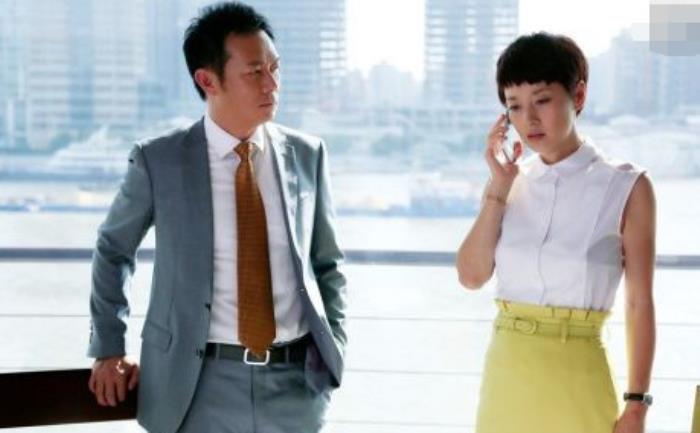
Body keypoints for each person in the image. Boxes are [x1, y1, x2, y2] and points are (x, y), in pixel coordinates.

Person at [86, 3, 347, 432]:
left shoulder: (307, 154)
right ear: (207, 80)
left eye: (275, 68)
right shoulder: (159, 161)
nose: (272, 84)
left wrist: (335, 346)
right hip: (195, 387)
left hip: (297, 387)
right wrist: (109, 348)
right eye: (255, 72)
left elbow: (328, 263)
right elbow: (113, 250)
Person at [456, 32, 656, 433]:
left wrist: (637, 405)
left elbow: (639, 302)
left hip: (579, 376)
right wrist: (497, 188)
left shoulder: (626, 186)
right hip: (507, 377)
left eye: (542, 100)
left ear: (578, 96)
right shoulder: (507, 184)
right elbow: (472, 276)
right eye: (514, 105)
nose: (528, 119)